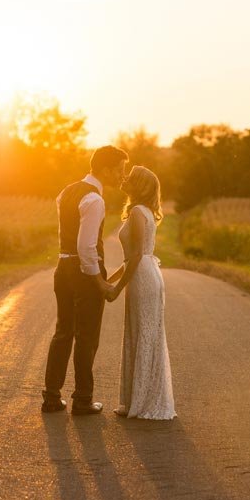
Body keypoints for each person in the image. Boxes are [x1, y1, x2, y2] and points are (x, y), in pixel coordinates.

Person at [41, 145, 128, 415]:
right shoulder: (95, 200)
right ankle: (82, 399)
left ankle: (52, 398)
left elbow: (68, 238)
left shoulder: (66, 191)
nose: (122, 175)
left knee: (63, 332)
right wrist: (99, 282)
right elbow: (87, 247)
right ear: (105, 169)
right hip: (82, 271)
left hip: (62, 267)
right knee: (87, 336)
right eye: (119, 169)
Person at [106, 166, 176, 420]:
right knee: (142, 332)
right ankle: (140, 398)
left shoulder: (137, 212)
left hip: (142, 277)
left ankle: (144, 401)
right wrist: (108, 278)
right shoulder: (143, 211)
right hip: (146, 272)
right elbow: (132, 258)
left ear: (139, 185)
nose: (124, 178)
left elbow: (134, 256)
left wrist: (116, 288)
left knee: (143, 332)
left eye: (130, 176)